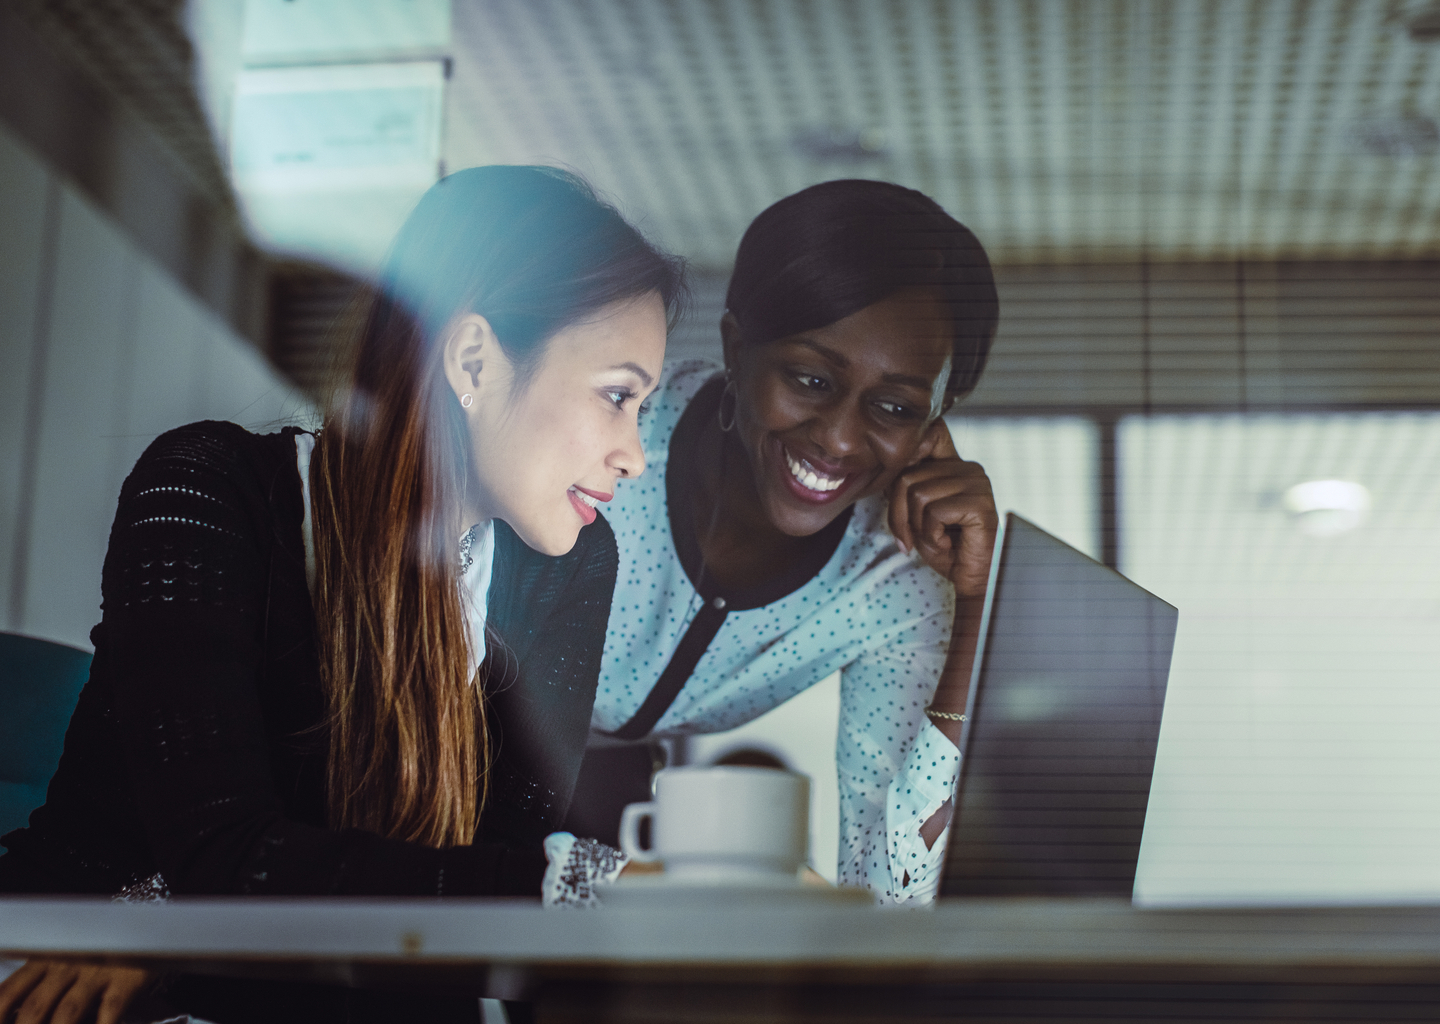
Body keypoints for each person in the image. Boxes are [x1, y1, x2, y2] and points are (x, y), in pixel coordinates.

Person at [0, 166, 683, 1024]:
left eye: (643, 409)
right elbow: (232, 860)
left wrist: (174, 930)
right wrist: (614, 891)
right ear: (473, 359)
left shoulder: (568, 565)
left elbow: (484, 911)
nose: (635, 454)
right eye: (617, 396)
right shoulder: (208, 490)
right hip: (63, 985)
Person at [566, 179, 999, 905]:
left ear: (933, 425)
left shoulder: (895, 588)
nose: (838, 438)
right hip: (445, 746)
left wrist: (977, 605)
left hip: (607, 809)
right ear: (738, 349)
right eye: (810, 379)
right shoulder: (617, 435)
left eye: (894, 407)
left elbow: (890, 895)